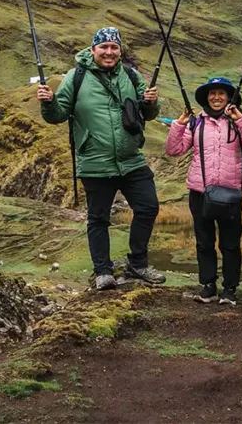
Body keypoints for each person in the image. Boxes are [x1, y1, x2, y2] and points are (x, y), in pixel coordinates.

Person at [37, 26, 167, 290]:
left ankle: (138, 264)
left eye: (114, 47)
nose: (109, 52)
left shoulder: (130, 76)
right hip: (95, 162)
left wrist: (151, 102)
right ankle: (103, 272)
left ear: (120, 51)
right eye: (104, 47)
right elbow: (57, 115)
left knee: (148, 206)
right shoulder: (76, 77)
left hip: (131, 159)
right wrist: (49, 101)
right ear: (93, 49)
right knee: (98, 218)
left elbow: (148, 113)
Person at [165, 77, 242, 306]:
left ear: (229, 98)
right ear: (206, 98)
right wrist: (179, 124)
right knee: (204, 242)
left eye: (221, 93)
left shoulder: (237, 122)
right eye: (212, 93)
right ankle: (208, 286)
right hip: (200, 192)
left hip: (231, 193)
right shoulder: (196, 123)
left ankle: (230, 289)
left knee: (230, 243)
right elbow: (173, 149)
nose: (216, 97)